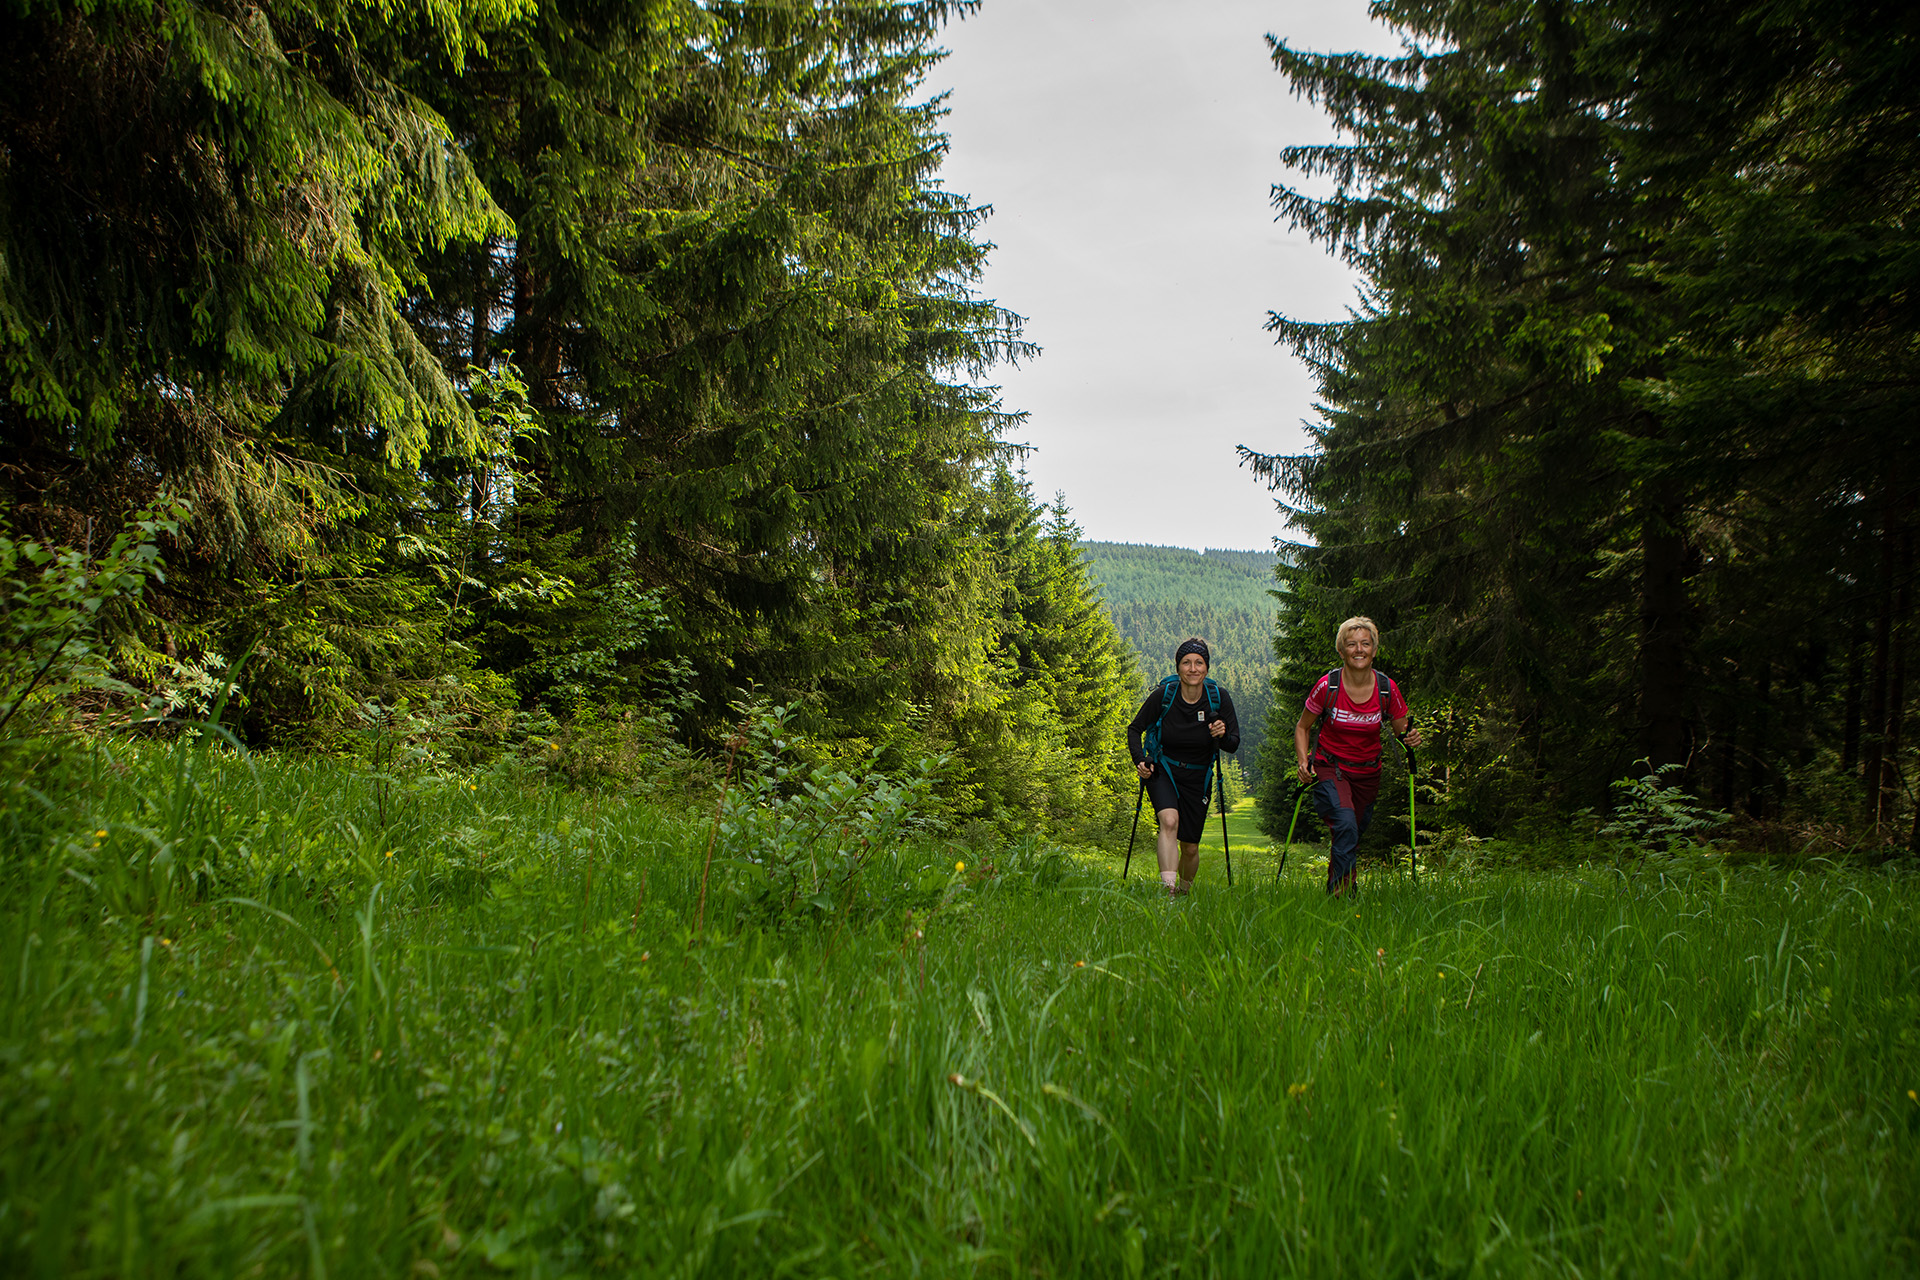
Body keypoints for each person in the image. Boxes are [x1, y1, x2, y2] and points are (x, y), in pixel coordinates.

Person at [1293, 616, 1423, 896]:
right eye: (1351, 644)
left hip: (1368, 772)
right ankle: (1341, 896)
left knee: (1353, 831)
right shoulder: (1328, 686)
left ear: (1374, 650)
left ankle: (1342, 885)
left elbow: (1404, 731)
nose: (1359, 650)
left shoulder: (1387, 688)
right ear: (1341, 651)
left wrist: (1411, 738)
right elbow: (1303, 727)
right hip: (1330, 766)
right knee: (1346, 824)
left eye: (1365, 644)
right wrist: (1303, 761)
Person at [1127, 638, 1240, 897]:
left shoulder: (1218, 698)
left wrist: (1221, 735)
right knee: (1169, 821)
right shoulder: (1163, 696)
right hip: (1164, 768)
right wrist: (1139, 760)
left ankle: (1184, 891)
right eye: (1186, 663)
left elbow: (1233, 744)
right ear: (1178, 668)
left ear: (1207, 668)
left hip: (1198, 775)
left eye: (1199, 663)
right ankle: (1167, 892)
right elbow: (1135, 729)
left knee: (1190, 847)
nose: (1192, 668)